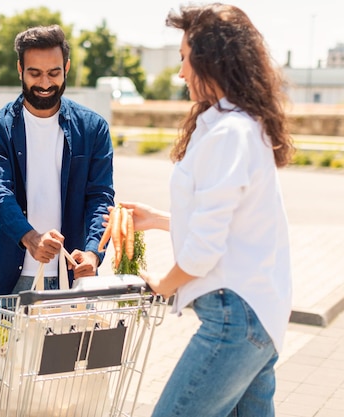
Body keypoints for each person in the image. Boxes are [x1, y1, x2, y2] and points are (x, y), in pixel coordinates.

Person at [121, 4, 295, 416]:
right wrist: (161, 221)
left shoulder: (230, 131)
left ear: (209, 60)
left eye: (184, 58)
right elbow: (232, 221)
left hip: (235, 321)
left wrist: (162, 285)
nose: (180, 72)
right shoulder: (237, 124)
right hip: (259, 317)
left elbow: (204, 252)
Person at [0, 24, 115, 295]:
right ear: (20, 69)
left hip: (75, 276)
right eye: (35, 73)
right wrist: (30, 239)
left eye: (53, 73)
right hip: (15, 277)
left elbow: (101, 198)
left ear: (67, 67)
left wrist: (93, 252)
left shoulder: (93, 128)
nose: (44, 83)